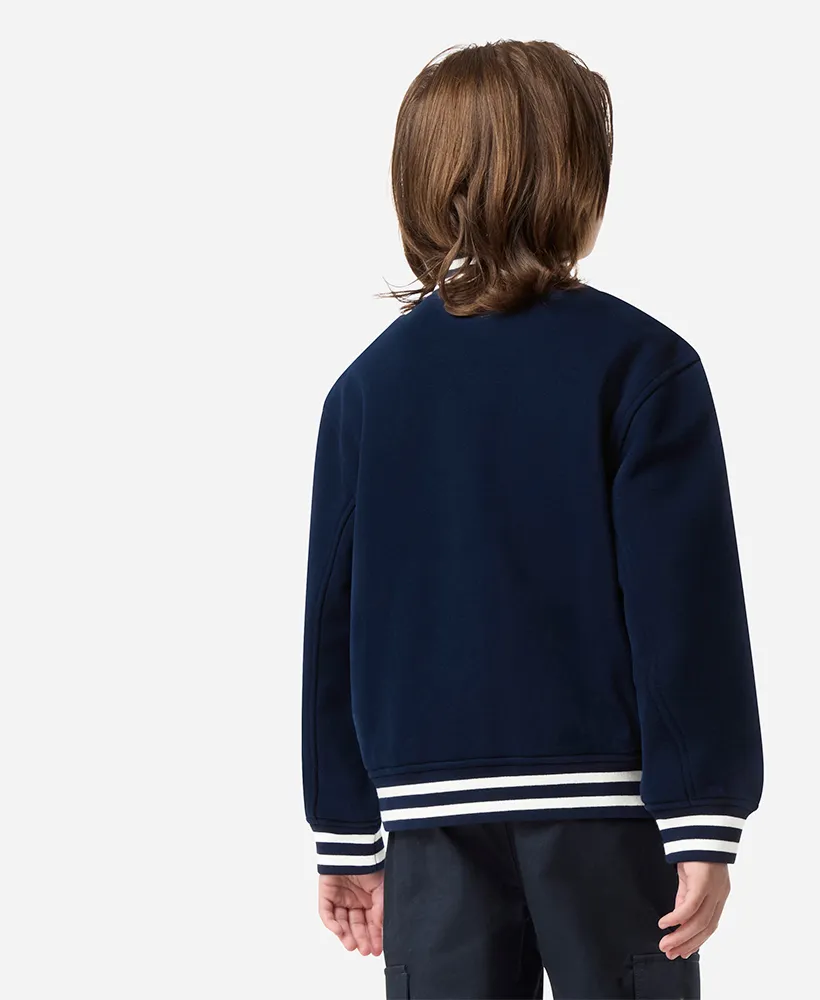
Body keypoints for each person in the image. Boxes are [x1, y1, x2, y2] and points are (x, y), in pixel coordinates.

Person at [301, 39, 763, 1000]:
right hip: (605, 806)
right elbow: (684, 608)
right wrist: (703, 816)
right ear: (576, 178)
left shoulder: (366, 390)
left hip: (427, 814)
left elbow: (331, 622)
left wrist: (344, 830)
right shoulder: (643, 365)